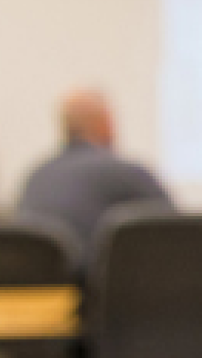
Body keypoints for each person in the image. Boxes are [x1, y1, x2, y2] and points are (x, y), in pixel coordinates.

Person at [16, 89, 172, 249]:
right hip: (106, 272)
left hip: (51, 274)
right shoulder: (126, 173)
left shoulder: (36, 177)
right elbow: (178, 229)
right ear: (104, 123)